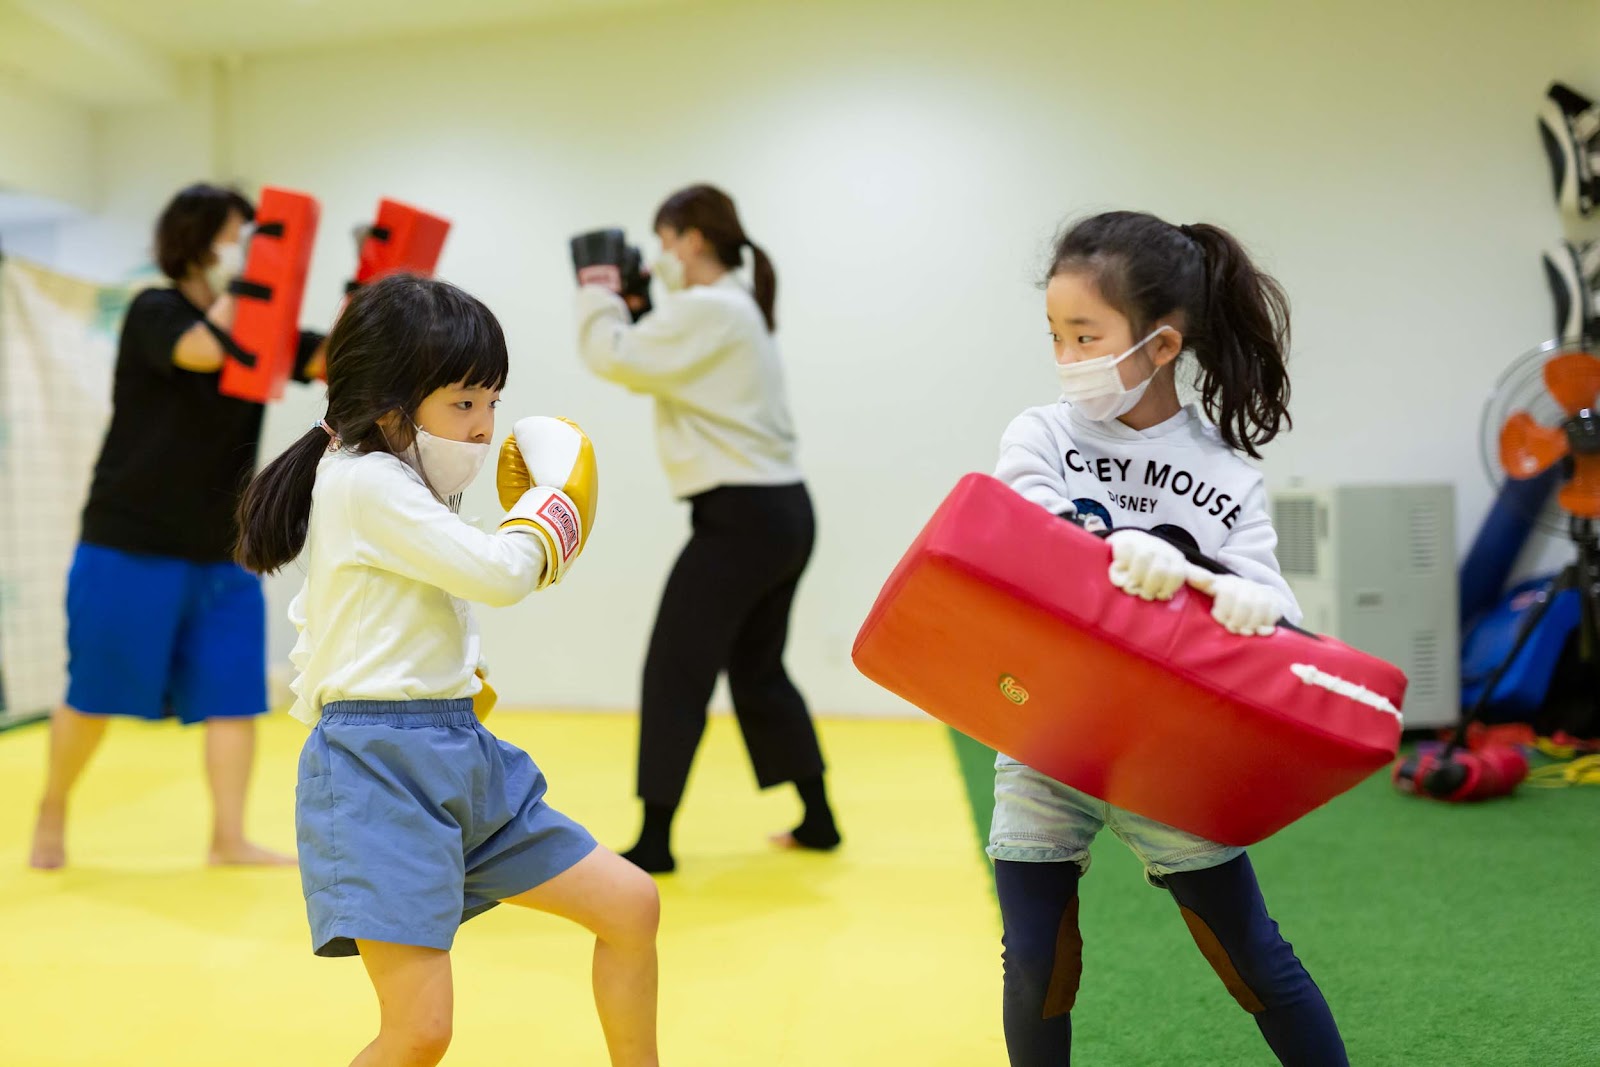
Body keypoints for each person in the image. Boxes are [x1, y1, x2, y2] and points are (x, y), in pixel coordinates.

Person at [236, 273, 659, 1067]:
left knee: (631, 905)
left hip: (457, 753)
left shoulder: (403, 479)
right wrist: (552, 510)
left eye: (492, 402)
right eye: (464, 404)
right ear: (393, 407)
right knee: (420, 1029)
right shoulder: (364, 480)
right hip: (376, 773)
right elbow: (501, 574)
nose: (484, 427)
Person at [989, 211, 1348, 1065]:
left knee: (1252, 956)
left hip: (1168, 751)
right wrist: (1116, 552)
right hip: (1045, 731)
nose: (1067, 357)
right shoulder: (1040, 434)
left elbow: (1271, 609)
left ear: (1159, 345)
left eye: (1086, 335)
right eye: (1056, 335)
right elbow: (1028, 549)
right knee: (1036, 962)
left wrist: (1223, 588)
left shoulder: (1224, 467)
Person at [30, 182, 324, 869]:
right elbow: (203, 351)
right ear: (196, 241)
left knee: (232, 694)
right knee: (94, 691)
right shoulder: (154, 311)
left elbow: (331, 357)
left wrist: (370, 293)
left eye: (254, 237)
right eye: (235, 235)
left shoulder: (264, 324)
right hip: (128, 538)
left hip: (224, 547)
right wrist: (256, 278)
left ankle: (228, 837)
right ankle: (52, 809)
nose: (244, 248)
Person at [575, 184, 839, 874]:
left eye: (665, 241)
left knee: (676, 665)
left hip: (744, 517)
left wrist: (599, 292)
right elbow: (655, 358)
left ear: (692, 238)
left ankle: (655, 840)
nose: (660, 255)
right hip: (779, 512)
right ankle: (819, 818)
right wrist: (637, 305)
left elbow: (613, 357)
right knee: (755, 668)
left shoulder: (711, 308)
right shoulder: (730, 307)